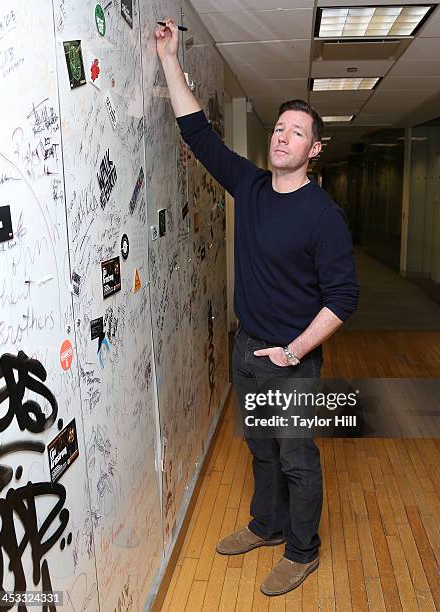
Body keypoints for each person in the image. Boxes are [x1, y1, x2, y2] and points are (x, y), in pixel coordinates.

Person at [155, 18, 359, 597]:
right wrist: (171, 58)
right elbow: (198, 133)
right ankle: (268, 527)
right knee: (260, 449)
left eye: (297, 133)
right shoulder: (249, 185)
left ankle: (302, 551)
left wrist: (294, 351)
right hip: (247, 349)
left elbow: (344, 299)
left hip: (291, 362)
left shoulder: (324, 217)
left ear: (314, 150)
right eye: (279, 128)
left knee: (297, 459)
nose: (281, 137)